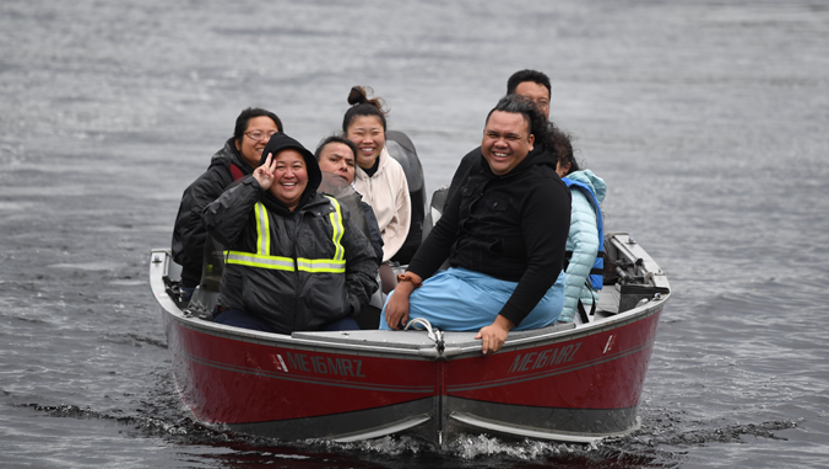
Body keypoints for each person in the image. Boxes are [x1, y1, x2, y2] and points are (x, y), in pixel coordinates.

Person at [382, 95, 572, 355]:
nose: (500, 144)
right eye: (492, 134)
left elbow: (545, 267)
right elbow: (445, 232)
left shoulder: (546, 189)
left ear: (530, 142)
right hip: (470, 281)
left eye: (511, 137)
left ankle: (390, 386)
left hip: (525, 291)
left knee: (400, 306)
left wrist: (502, 324)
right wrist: (406, 283)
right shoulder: (476, 168)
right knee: (397, 299)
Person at [201, 133, 379, 334]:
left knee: (353, 339)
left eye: (297, 167)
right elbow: (215, 224)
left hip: (323, 323)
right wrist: (254, 185)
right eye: (279, 167)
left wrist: (348, 302)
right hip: (250, 319)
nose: (289, 174)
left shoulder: (333, 210)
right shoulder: (247, 205)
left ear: (309, 172)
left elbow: (366, 261)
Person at [171, 108, 283, 297]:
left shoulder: (287, 180)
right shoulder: (207, 187)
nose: (265, 140)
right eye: (256, 134)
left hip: (268, 285)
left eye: (272, 135)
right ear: (237, 143)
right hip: (210, 287)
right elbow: (195, 246)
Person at [447, 70, 554, 206]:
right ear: (510, 101)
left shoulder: (558, 154)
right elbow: (450, 215)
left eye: (542, 102)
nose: (536, 109)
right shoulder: (476, 160)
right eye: (527, 101)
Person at [342, 86, 411, 293]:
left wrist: (378, 256)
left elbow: (400, 222)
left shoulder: (395, 169)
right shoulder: (336, 170)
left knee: (389, 292)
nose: (368, 141)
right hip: (340, 256)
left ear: (384, 135)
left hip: (381, 257)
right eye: (359, 133)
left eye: (375, 133)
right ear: (345, 135)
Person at [551, 131, 607, 323]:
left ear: (565, 167)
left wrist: (564, 311)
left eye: (549, 164)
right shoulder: (546, 195)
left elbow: (588, 246)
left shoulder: (573, 197)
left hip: (573, 309)